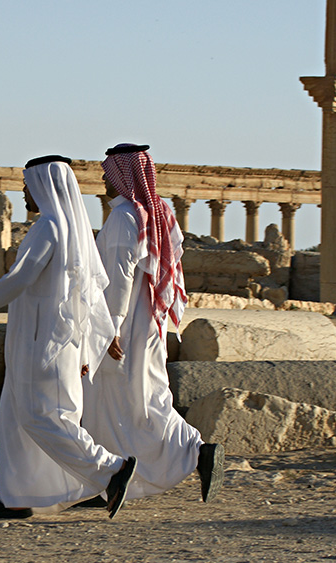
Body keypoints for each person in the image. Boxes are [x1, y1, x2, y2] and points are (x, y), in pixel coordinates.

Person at [0, 154, 137, 519]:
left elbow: (19, 278)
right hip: (48, 342)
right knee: (17, 419)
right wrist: (90, 347)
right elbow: (92, 296)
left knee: (44, 417)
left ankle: (111, 469)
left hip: (43, 344)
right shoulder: (75, 231)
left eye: (27, 185)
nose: (24, 192)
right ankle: (19, 495)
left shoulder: (49, 227)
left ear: (45, 186)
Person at [82, 143, 224, 504]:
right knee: (147, 397)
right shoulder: (158, 211)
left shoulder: (124, 218)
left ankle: (116, 479)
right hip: (150, 321)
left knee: (120, 402)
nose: (103, 181)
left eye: (107, 174)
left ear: (122, 175)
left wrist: (107, 328)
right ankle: (191, 452)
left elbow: (118, 277)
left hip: (124, 325)